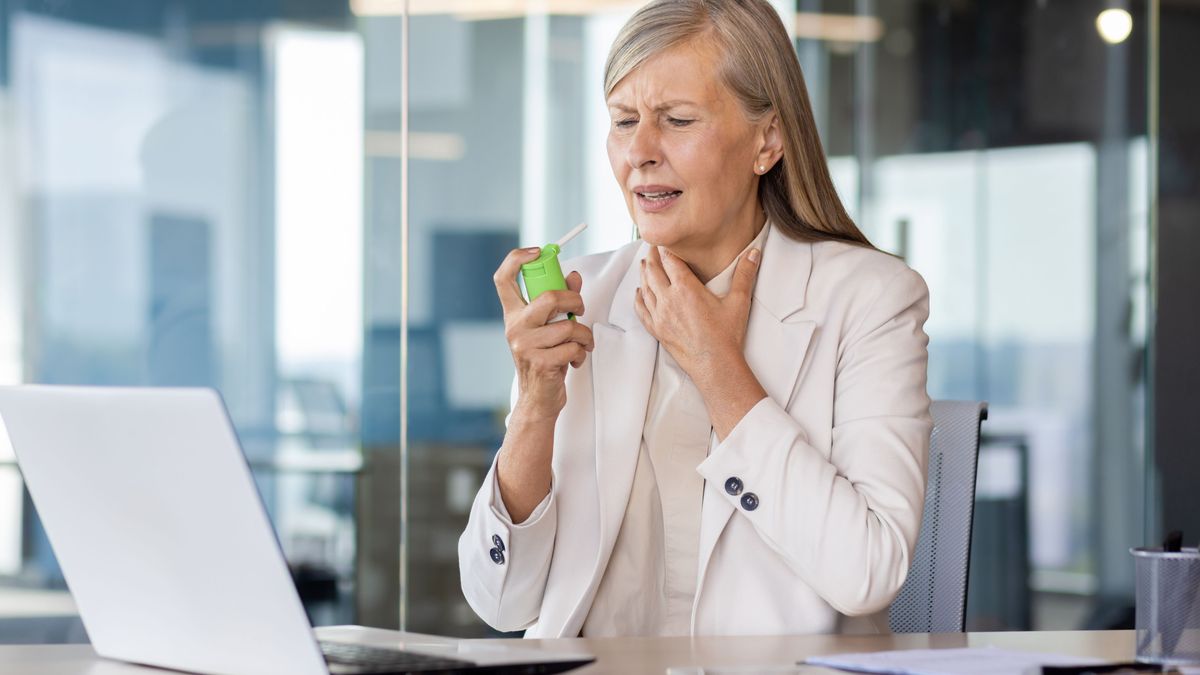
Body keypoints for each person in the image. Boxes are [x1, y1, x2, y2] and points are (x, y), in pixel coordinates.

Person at [459, 0, 931, 638]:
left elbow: (867, 573)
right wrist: (536, 406)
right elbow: (500, 602)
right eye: (624, 121)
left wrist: (719, 370)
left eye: (677, 120)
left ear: (767, 141)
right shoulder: (584, 297)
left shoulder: (870, 298)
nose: (640, 153)